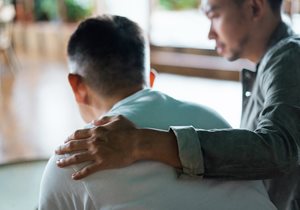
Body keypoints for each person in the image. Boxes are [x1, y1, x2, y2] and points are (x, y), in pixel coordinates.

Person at [56, 0, 300, 209]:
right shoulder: (274, 63)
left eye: (214, 15)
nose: (210, 34)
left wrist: (140, 143)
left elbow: (279, 149)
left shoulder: (290, 56)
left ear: (255, 7)